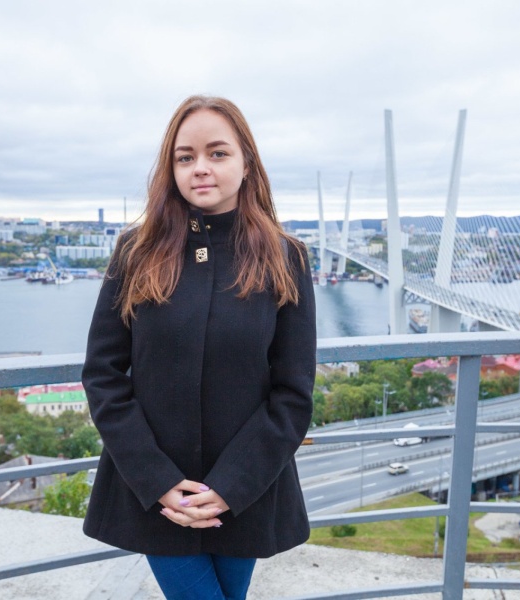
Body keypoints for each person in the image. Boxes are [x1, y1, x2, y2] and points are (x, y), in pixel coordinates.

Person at [81, 95, 316, 600]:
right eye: (185, 157)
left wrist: (232, 486)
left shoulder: (286, 257)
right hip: (158, 495)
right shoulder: (136, 252)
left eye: (218, 153)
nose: (200, 167)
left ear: (247, 163)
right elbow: (103, 374)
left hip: (247, 490)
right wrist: (157, 479)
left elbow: (293, 392)